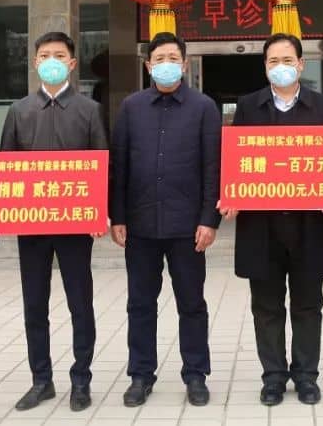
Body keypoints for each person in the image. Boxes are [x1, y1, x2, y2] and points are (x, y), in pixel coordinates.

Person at [219, 33, 323, 407]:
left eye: (288, 60)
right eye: (273, 61)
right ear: (265, 67)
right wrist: (232, 195)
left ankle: (306, 377)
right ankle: (273, 377)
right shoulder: (248, 107)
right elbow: (237, 160)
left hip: (309, 226)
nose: (281, 67)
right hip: (261, 226)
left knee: (308, 305)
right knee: (266, 307)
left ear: (301, 65)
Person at [109, 33, 222, 408]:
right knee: (140, 303)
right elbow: (119, 164)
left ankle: (196, 375)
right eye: (159, 58)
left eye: (173, 57)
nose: (166, 64)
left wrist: (209, 219)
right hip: (140, 224)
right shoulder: (131, 107)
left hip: (188, 227)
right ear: (148, 65)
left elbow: (213, 167)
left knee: (192, 303)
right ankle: (141, 375)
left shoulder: (204, 107)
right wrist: (118, 216)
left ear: (185, 64)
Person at [0, 32, 109, 412]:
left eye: (59, 55)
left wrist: (99, 210)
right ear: (35, 63)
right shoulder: (19, 111)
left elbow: (102, 163)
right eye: (44, 55)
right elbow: (6, 168)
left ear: (72, 63)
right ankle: (41, 380)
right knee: (35, 305)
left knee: (80, 303)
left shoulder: (89, 110)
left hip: (76, 226)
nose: (51, 61)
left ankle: (81, 380)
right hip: (32, 226)